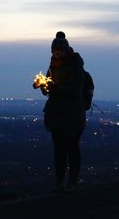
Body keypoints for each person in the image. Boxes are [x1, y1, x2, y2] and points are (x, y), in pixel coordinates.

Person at [34, 31, 86, 192]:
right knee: (59, 150)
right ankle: (59, 182)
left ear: (65, 50)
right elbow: (48, 90)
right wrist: (42, 85)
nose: (55, 55)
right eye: (53, 52)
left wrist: (53, 87)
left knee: (72, 147)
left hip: (72, 115)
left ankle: (72, 183)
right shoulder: (53, 64)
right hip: (57, 115)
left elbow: (74, 92)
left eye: (58, 52)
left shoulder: (76, 66)